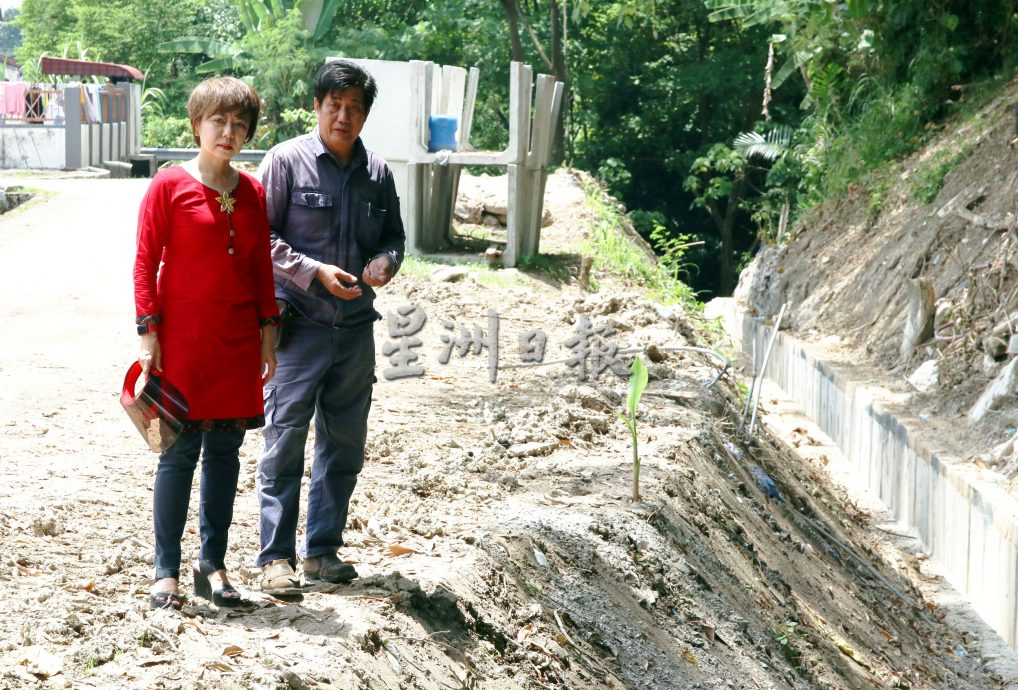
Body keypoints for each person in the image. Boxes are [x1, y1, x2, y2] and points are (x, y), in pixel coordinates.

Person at [256, 60, 405, 594]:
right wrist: (312, 270)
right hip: (299, 327)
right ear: (317, 107)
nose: (344, 116)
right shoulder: (285, 162)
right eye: (334, 105)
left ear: (365, 115)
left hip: (355, 329)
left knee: (343, 444)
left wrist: (386, 263)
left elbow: (394, 237)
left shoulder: (379, 173)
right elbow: (260, 240)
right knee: (284, 440)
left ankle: (322, 551)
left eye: (355, 108)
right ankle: (275, 558)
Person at [134, 76, 280, 610]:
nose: (229, 131)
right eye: (218, 120)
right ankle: (166, 571)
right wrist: (149, 332)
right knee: (177, 453)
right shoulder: (168, 185)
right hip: (183, 342)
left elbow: (261, 268)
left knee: (225, 454)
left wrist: (269, 334)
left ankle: (212, 565)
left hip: (237, 343)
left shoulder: (253, 191)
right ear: (197, 125)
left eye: (240, 123)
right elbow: (146, 261)